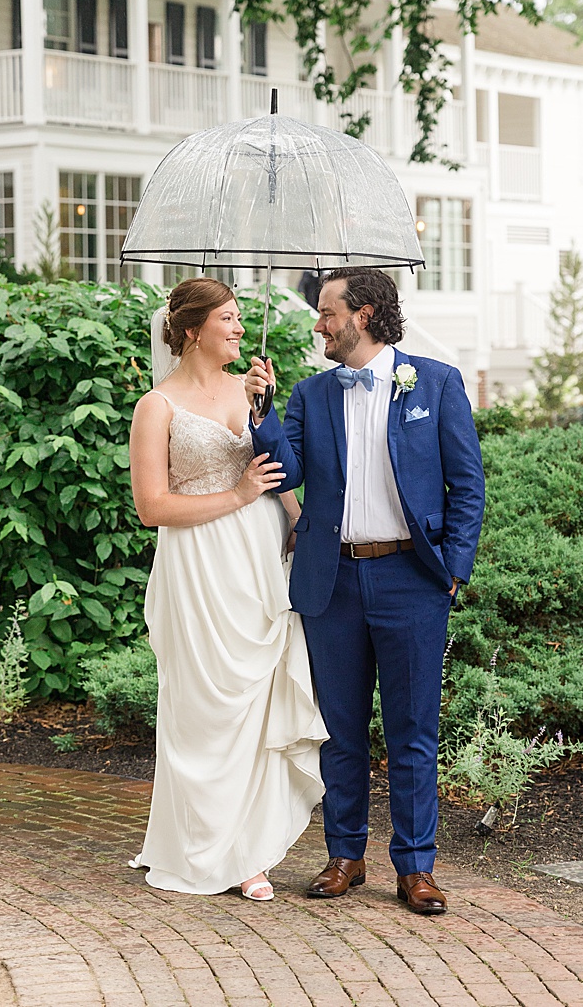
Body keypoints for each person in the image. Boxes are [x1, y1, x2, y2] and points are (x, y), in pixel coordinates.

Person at [245, 268, 485, 915]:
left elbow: (468, 485)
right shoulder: (312, 393)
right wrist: (260, 412)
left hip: (414, 580)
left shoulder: (435, 382)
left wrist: (453, 571)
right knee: (341, 730)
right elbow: (283, 471)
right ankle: (345, 856)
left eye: (327, 312)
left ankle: (416, 868)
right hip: (334, 581)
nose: (317, 324)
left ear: (366, 314)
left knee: (412, 732)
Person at [127, 277, 327, 901]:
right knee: (204, 706)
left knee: (256, 699)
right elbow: (151, 507)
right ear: (191, 330)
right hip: (197, 561)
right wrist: (237, 495)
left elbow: (276, 472)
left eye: (241, 319)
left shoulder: (250, 394)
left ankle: (250, 851)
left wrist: (296, 519)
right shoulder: (156, 407)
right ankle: (200, 845)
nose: (240, 328)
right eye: (229, 319)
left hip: (257, 557)